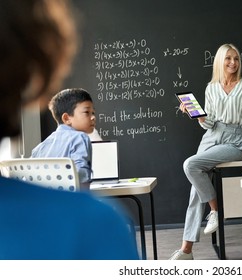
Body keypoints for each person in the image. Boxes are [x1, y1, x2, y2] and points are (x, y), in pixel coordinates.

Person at [0, 0, 139, 259]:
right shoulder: (93, 225)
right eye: (88, 112)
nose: (93, 118)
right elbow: (82, 178)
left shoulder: (42, 145)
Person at [169, 43, 242, 260]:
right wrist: (197, 115)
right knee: (195, 191)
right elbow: (209, 123)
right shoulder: (211, 88)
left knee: (191, 165)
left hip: (234, 141)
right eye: (228, 59)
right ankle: (187, 250)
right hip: (211, 137)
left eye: (236, 59)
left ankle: (215, 211)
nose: (233, 63)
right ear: (220, 61)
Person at [31, 88, 95, 190]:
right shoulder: (80, 137)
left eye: (93, 113)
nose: (92, 117)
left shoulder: (39, 148)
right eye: (87, 112)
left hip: (45, 201)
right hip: (72, 201)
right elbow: (82, 175)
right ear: (66, 118)